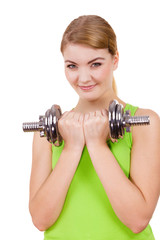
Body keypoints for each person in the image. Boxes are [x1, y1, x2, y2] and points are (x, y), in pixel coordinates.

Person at [29, 15, 160, 240]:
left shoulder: (143, 123)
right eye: (72, 66)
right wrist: (72, 148)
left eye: (95, 64)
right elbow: (40, 220)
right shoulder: (49, 133)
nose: (83, 77)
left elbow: (137, 219)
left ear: (115, 60)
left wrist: (97, 145)